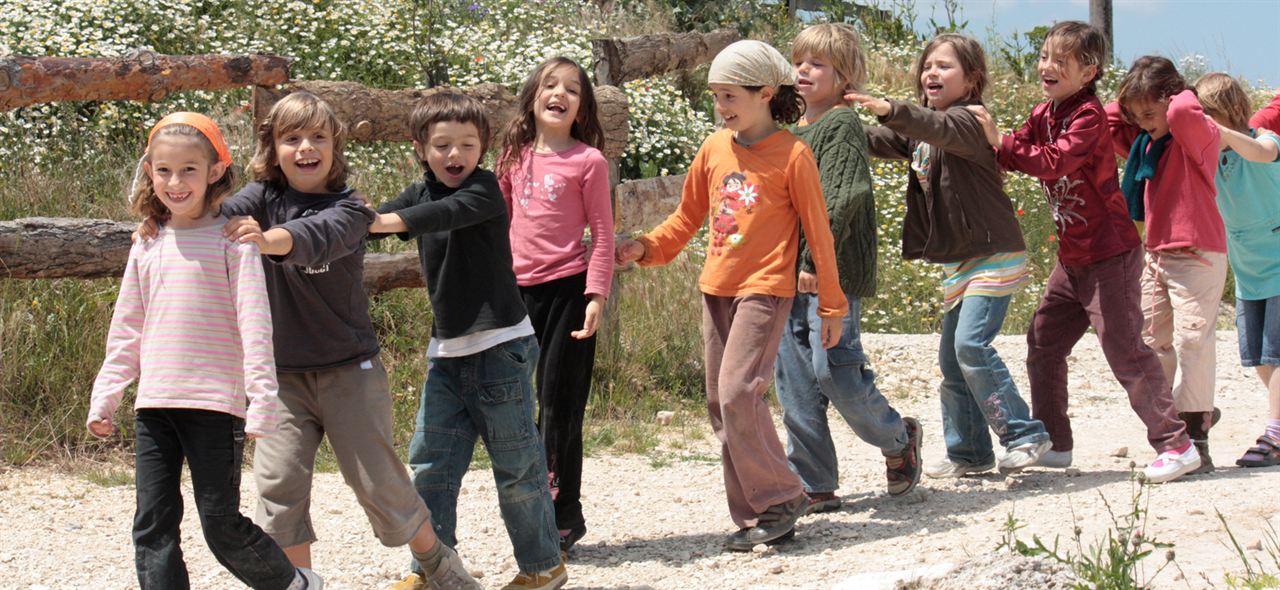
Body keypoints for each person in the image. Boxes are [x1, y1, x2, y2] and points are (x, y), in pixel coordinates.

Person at [138, 93, 479, 590]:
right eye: (291, 138)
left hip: (348, 370)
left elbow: (312, 236)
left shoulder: (352, 208)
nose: (305, 148)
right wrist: (160, 221)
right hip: (278, 377)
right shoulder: (257, 198)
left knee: (379, 485)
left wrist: (264, 239)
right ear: (272, 148)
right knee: (278, 491)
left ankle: (439, 565)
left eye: (318, 137)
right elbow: (198, 210)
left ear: (335, 147)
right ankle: (299, 582)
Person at [616, 40, 846, 551]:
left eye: (728, 96)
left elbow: (819, 234)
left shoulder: (795, 154)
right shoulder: (715, 148)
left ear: (765, 92)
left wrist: (832, 304)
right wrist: (646, 247)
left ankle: (783, 496)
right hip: (716, 288)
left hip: (765, 290)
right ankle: (757, 514)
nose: (720, 108)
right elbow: (686, 218)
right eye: (716, 96)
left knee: (741, 391)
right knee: (720, 403)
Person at [90, 112, 322, 590]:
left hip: (215, 405)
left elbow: (255, 324)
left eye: (189, 170)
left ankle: (294, 584)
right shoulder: (147, 243)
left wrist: (261, 400)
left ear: (215, 170)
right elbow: (127, 329)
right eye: (164, 171)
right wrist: (106, 394)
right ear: (149, 172)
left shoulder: (233, 242)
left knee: (220, 522)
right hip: (154, 405)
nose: (175, 182)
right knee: (152, 523)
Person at [967, 21, 1193, 482]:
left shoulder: (1088, 116)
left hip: (1109, 254)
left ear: (1088, 71)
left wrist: (1000, 142)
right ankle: (1055, 443)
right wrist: (994, 147)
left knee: (1126, 351)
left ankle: (1177, 444)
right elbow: (1018, 152)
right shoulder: (1045, 111)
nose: (1046, 66)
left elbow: (1053, 162)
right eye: (1044, 56)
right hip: (1073, 259)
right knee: (1043, 341)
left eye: (1059, 60)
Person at [370, 91, 566, 590]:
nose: (454, 155)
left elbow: (441, 215)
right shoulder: (418, 193)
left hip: (501, 347)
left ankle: (544, 567)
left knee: (517, 466)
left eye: (466, 144)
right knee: (431, 465)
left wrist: (387, 221)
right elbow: (375, 220)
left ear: (483, 148)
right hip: (447, 356)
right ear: (420, 148)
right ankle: (431, 571)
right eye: (441, 145)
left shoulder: (483, 192)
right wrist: (334, 217)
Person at [846, 33, 1051, 479]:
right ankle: (970, 453)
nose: (931, 73)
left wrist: (889, 107)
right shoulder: (921, 134)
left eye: (944, 66)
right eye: (927, 66)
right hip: (961, 261)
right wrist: (831, 127)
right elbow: (880, 139)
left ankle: (1023, 434)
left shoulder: (969, 121)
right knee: (950, 361)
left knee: (970, 346)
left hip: (994, 252)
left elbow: (932, 127)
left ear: (972, 79)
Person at [776, 23, 922, 514]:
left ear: (844, 79)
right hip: (784, 272)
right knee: (794, 380)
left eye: (818, 64)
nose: (804, 71)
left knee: (833, 370)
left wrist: (817, 260)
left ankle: (899, 435)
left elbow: (844, 196)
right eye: (800, 61)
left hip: (827, 271)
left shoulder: (840, 125)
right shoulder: (793, 130)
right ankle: (814, 481)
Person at [495, 57, 614, 552]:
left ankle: (564, 514)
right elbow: (497, 230)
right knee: (515, 407)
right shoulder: (512, 158)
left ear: (581, 107)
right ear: (533, 96)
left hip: (569, 292)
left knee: (561, 406)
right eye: (550, 84)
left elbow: (603, 235)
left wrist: (596, 295)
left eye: (572, 89)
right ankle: (528, 505)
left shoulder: (588, 161)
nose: (559, 93)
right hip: (516, 296)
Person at [1105, 56, 1222, 476]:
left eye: (1150, 113)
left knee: (1194, 341)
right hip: (1157, 253)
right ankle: (1176, 423)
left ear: (1170, 99)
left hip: (1197, 253)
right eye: (1138, 116)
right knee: (1152, 341)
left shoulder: (1196, 134)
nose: (1144, 122)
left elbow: (1184, 109)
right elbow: (1109, 118)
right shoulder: (1146, 144)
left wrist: (1170, 95)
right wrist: (1133, 96)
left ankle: (1198, 430)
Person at [1194, 73, 1280, 468]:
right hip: (1249, 273)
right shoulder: (1208, 156)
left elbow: (1263, 153)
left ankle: (1275, 434)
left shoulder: (1263, 137)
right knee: (1260, 359)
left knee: (1277, 356)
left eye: (1205, 114)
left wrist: (1226, 134)